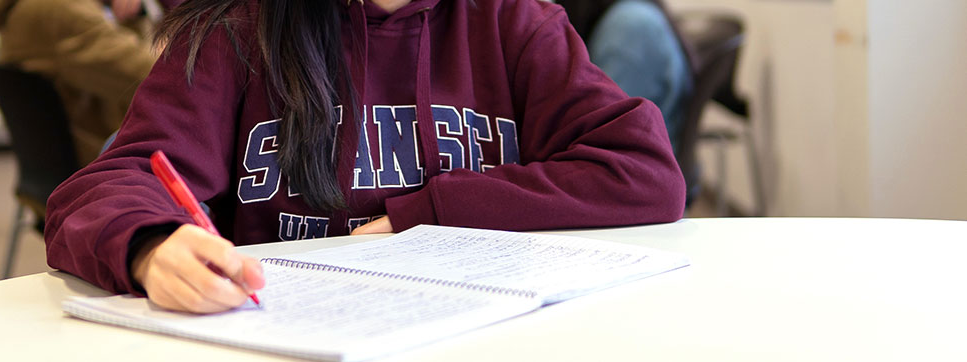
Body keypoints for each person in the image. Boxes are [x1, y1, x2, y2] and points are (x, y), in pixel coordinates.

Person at [45, 0, 687, 314]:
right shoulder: (236, 30)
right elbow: (104, 187)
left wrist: (433, 211)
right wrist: (151, 245)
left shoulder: (513, 21)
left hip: (483, 331)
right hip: (283, 337)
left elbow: (641, 171)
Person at [0, 0, 157, 166]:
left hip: (81, 151)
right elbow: (156, 80)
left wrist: (131, 17)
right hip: (103, 159)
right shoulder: (63, 8)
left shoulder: (33, 6)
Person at [553, 0, 692, 155]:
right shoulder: (634, 16)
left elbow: (604, 134)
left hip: (637, 170)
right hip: (639, 165)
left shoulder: (630, 26)